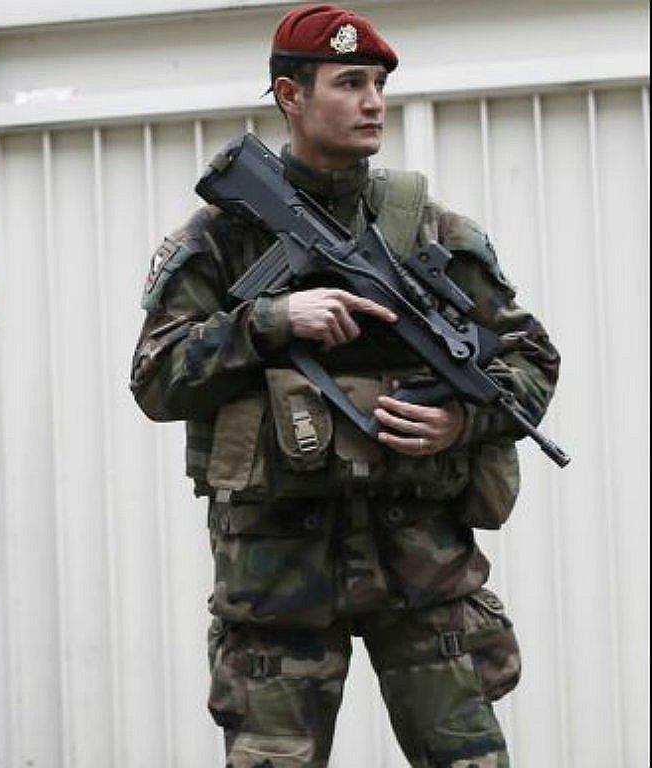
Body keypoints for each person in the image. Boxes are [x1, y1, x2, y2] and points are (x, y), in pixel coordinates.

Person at [129, 5, 560, 767]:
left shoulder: (431, 230)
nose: (373, 102)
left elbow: (530, 359)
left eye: (380, 85)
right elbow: (156, 379)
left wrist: (462, 423)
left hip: (422, 572)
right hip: (277, 581)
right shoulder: (220, 237)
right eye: (350, 82)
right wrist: (269, 320)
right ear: (289, 96)